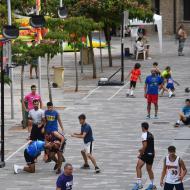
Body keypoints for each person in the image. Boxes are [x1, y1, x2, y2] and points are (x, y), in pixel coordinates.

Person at [132, 122, 156, 190]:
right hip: (151, 154)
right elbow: (151, 145)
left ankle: (139, 184)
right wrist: (153, 154)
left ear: (143, 127)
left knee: (138, 167)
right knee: (149, 169)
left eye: (141, 127)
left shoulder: (144, 135)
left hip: (146, 154)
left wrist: (140, 154)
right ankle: (152, 184)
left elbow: (145, 146)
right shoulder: (151, 134)